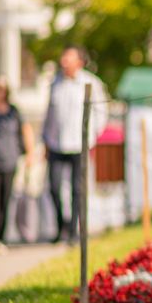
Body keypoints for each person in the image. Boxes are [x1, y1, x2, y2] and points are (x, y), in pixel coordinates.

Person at [41, 46, 107, 245]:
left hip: (79, 144)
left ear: (79, 61)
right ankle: (62, 224)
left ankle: (72, 232)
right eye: (63, 57)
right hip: (56, 143)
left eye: (68, 57)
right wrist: (45, 139)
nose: (64, 61)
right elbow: (49, 114)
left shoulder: (90, 83)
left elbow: (101, 112)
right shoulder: (55, 83)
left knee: (77, 190)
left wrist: (92, 137)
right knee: (53, 188)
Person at [0, 76, 35, 254]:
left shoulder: (14, 112)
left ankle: (1, 238)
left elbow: (26, 129)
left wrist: (30, 153)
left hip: (10, 161)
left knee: (5, 200)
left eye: (2, 90)